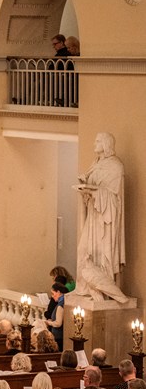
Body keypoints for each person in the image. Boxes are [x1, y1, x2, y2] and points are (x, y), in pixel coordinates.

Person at [75, 132, 130, 302]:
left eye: (97, 141)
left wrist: (95, 191)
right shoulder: (96, 164)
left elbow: (115, 196)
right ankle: (84, 288)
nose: (94, 144)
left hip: (106, 219)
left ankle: (102, 291)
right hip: (93, 214)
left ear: (106, 144)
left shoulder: (116, 166)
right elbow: (93, 186)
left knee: (100, 253)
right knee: (83, 250)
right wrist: (86, 185)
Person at [43, 283, 66, 350]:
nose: (52, 296)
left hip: (58, 337)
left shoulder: (60, 305)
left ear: (58, 292)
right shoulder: (63, 302)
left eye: (53, 293)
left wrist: (48, 322)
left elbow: (58, 323)